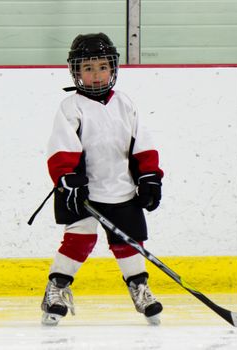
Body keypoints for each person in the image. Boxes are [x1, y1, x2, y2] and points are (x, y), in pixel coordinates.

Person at [41, 33, 164, 326]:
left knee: (130, 242)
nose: (96, 74)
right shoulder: (71, 106)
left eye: (102, 66)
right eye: (88, 68)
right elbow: (61, 146)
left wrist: (149, 177)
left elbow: (141, 144)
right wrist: (67, 177)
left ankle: (139, 286)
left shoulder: (125, 104)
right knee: (77, 241)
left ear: (113, 68)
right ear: (76, 71)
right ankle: (56, 288)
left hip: (120, 187)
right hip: (81, 190)